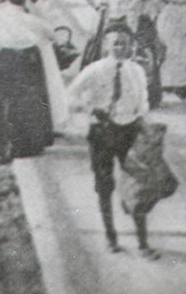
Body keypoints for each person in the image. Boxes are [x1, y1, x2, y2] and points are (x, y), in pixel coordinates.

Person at [67, 19, 157, 258]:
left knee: (137, 186)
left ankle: (143, 242)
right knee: (104, 185)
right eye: (116, 44)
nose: (121, 48)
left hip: (129, 131)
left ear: (131, 47)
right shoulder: (94, 70)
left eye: (125, 44)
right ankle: (110, 236)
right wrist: (90, 109)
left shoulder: (136, 70)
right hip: (102, 132)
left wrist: (140, 116)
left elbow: (144, 99)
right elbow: (71, 95)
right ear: (107, 45)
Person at [0, 0, 54, 158]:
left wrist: (2, 54)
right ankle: (28, 143)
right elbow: (50, 33)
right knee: (30, 101)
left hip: (5, 58)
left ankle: (2, 142)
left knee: (5, 99)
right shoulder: (29, 19)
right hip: (26, 60)